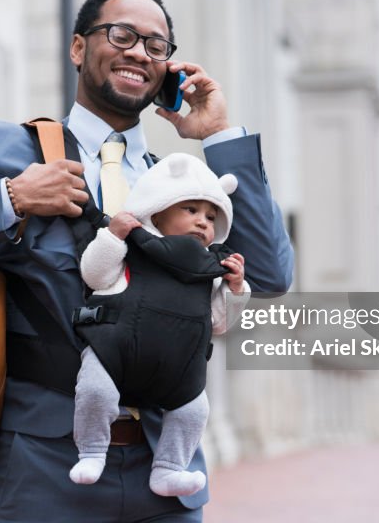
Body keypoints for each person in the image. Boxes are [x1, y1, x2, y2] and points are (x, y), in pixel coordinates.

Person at [0, 0, 293, 523]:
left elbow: (271, 274)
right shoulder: (4, 151)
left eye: (156, 46)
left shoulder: (181, 185)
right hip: (44, 472)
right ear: (77, 48)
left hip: (166, 472)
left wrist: (219, 136)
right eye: (121, 34)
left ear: (167, 71)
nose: (139, 51)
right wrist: (12, 197)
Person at [71, 153, 250, 498]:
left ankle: (170, 468)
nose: (203, 222)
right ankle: (92, 451)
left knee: (195, 410)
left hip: (178, 371)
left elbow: (220, 324)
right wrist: (111, 237)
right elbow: (94, 275)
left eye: (211, 217)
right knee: (94, 390)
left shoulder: (213, 268)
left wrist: (236, 289)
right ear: (157, 209)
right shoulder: (132, 247)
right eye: (191, 210)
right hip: (116, 352)